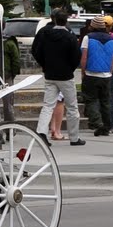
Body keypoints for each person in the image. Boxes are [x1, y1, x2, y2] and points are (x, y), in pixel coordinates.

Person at [31, 8, 85, 146]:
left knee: (47, 105)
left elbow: (36, 51)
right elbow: (76, 57)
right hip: (66, 75)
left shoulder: (45, 34)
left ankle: (42, 132)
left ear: (53, 19)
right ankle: (74, 137)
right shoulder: (70, 37)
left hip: (49, 74)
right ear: (66, 21)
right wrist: (70, 68)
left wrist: (44, 64)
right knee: (72, 107)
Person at [81, 14, 113, 136]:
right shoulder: (111, 38)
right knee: (105, 101)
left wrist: (83, 71)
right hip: (106, 75)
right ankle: (107, 126)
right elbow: (112, 58)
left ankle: (98, 124)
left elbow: (84, 57)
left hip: (91, 73)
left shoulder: (88, 38)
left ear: (93, 26)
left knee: (90, 99)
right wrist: (110, 72)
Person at [2, 32, 21, 123]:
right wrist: (13, 73)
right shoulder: (10, 43)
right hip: (7, 74)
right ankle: (10, 129)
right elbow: (16, 60)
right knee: (8, 104)